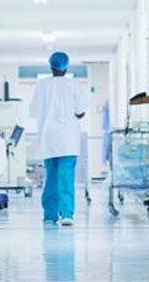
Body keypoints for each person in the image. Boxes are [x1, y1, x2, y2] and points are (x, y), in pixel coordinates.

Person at [31, 51, 88, 226]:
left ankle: (50, 214)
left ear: (51, 66)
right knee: (66, 177)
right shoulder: (73, 86)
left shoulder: (41, 86)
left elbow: (34, 110)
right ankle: (67, 214)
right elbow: (81, 111)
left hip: (48, 138)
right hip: (68, 139)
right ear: (66, 67)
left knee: (51, 177)